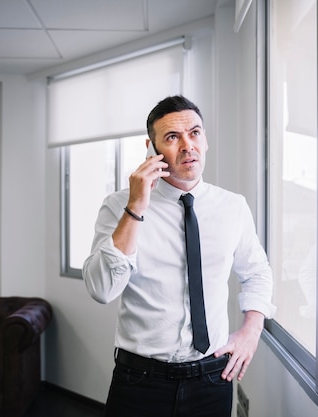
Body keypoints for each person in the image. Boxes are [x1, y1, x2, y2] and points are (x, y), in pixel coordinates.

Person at [83, 95, 275, 417]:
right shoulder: (119, 206)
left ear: (205, 140)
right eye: (173, 137)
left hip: (213, 378)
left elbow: (257, 272)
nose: (188, 145)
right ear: (152, 148)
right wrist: (136, 208)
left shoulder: (233, 207)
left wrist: (250, 332)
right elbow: (102, 289)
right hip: (140, 382)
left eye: (195, 133)